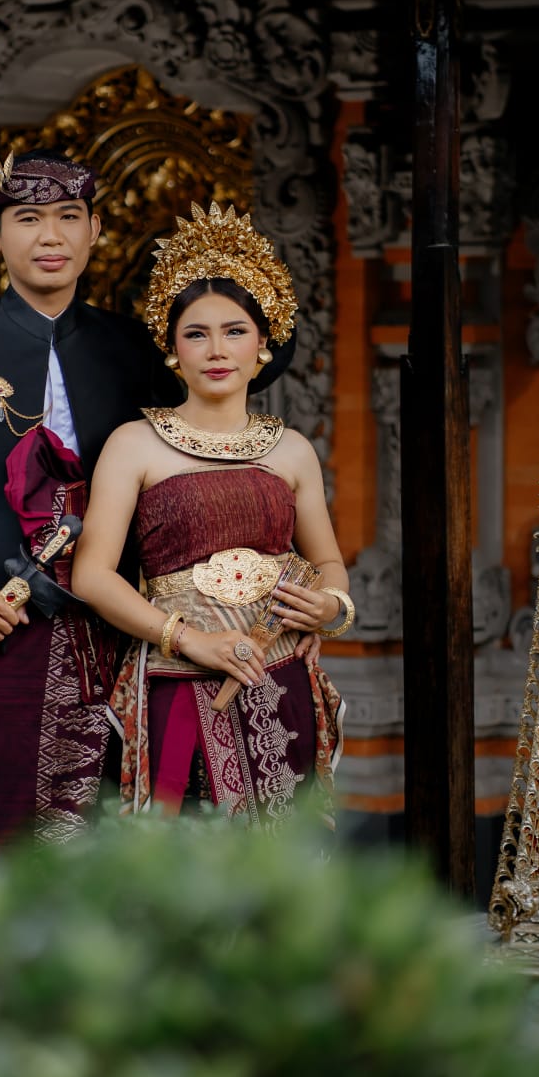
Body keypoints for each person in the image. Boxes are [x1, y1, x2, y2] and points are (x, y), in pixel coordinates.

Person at [0, 153, 294, 845]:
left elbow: (215, 406)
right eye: (28, 219)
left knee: (116, 839)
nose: (50, 236)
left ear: (94, 231)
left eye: (68, 217)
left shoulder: (134, 347)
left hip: (123, 630)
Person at [71, 201, 350, 827]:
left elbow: (329, 562)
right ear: (172, 348)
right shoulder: (134, 444)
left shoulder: (291, 450)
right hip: (179, 680)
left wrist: (331, 606)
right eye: (196, 333)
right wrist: (191, 640)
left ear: (264, 342)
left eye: (235, 331)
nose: (217, 350)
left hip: (281, 677)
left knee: (286, 861)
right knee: (188, 853)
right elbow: (91, 576)